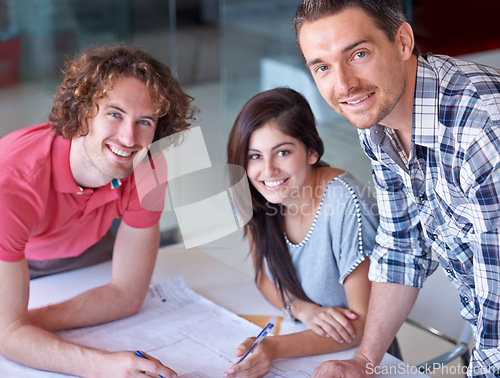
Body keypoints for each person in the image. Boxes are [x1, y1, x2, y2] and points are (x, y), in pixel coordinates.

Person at [293, 0, 500, 377]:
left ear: (403, 41)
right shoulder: (377, 120)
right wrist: (364, 362)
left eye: (358, 54)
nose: (343, 85)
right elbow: (402, 245)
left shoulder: (483, 133)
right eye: (322, 66)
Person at [0, 45, 196, 377]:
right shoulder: (13, 180)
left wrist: (25, 324)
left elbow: (127, 295)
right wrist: (104, 366)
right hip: (14, 258)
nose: (128, 137)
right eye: (114, 113)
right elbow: (7, 335)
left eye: (144, 121)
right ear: (82, 112)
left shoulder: (148, 166)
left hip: (85, 253)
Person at [225, 87, 385, 378]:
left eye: (283, 152)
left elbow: (362, 326)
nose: (268, 171)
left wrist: (273, 349)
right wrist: (302, 309)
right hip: (302, 343)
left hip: (354, 361)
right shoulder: (257, 195)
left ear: (311, 151)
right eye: (255, 156)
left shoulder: (346, 204)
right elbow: (264, 277)